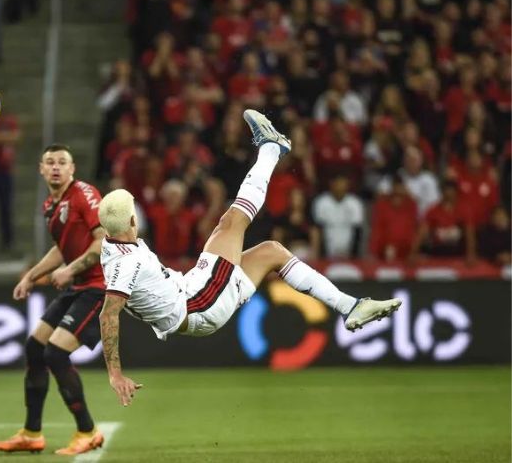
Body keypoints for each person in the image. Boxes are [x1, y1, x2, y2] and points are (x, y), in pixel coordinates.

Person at [97, 111, 402, 406]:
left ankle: (351, 307)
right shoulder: (126, 263)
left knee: (272, 252)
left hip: (192, 293)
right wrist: (114, 374)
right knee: (231, 221)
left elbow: (98, 270)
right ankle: (272, 148)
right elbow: (109, 314)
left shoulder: (110, 245)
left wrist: (70, 269)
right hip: (198, 302)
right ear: (133, 222)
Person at [0, 144, 105, 455]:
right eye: (50, 162)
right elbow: (61, 248)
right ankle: (32, 433)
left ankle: (88, 431)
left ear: (72, 169)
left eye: (62, 162)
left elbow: (102, 240)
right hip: (76, 286)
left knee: (56, 353)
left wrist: (70, 270)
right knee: (35, 347)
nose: (56, 167)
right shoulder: (50, 205)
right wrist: (31, 276)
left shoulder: (83, 193)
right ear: (42, 170)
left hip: (98, 287)